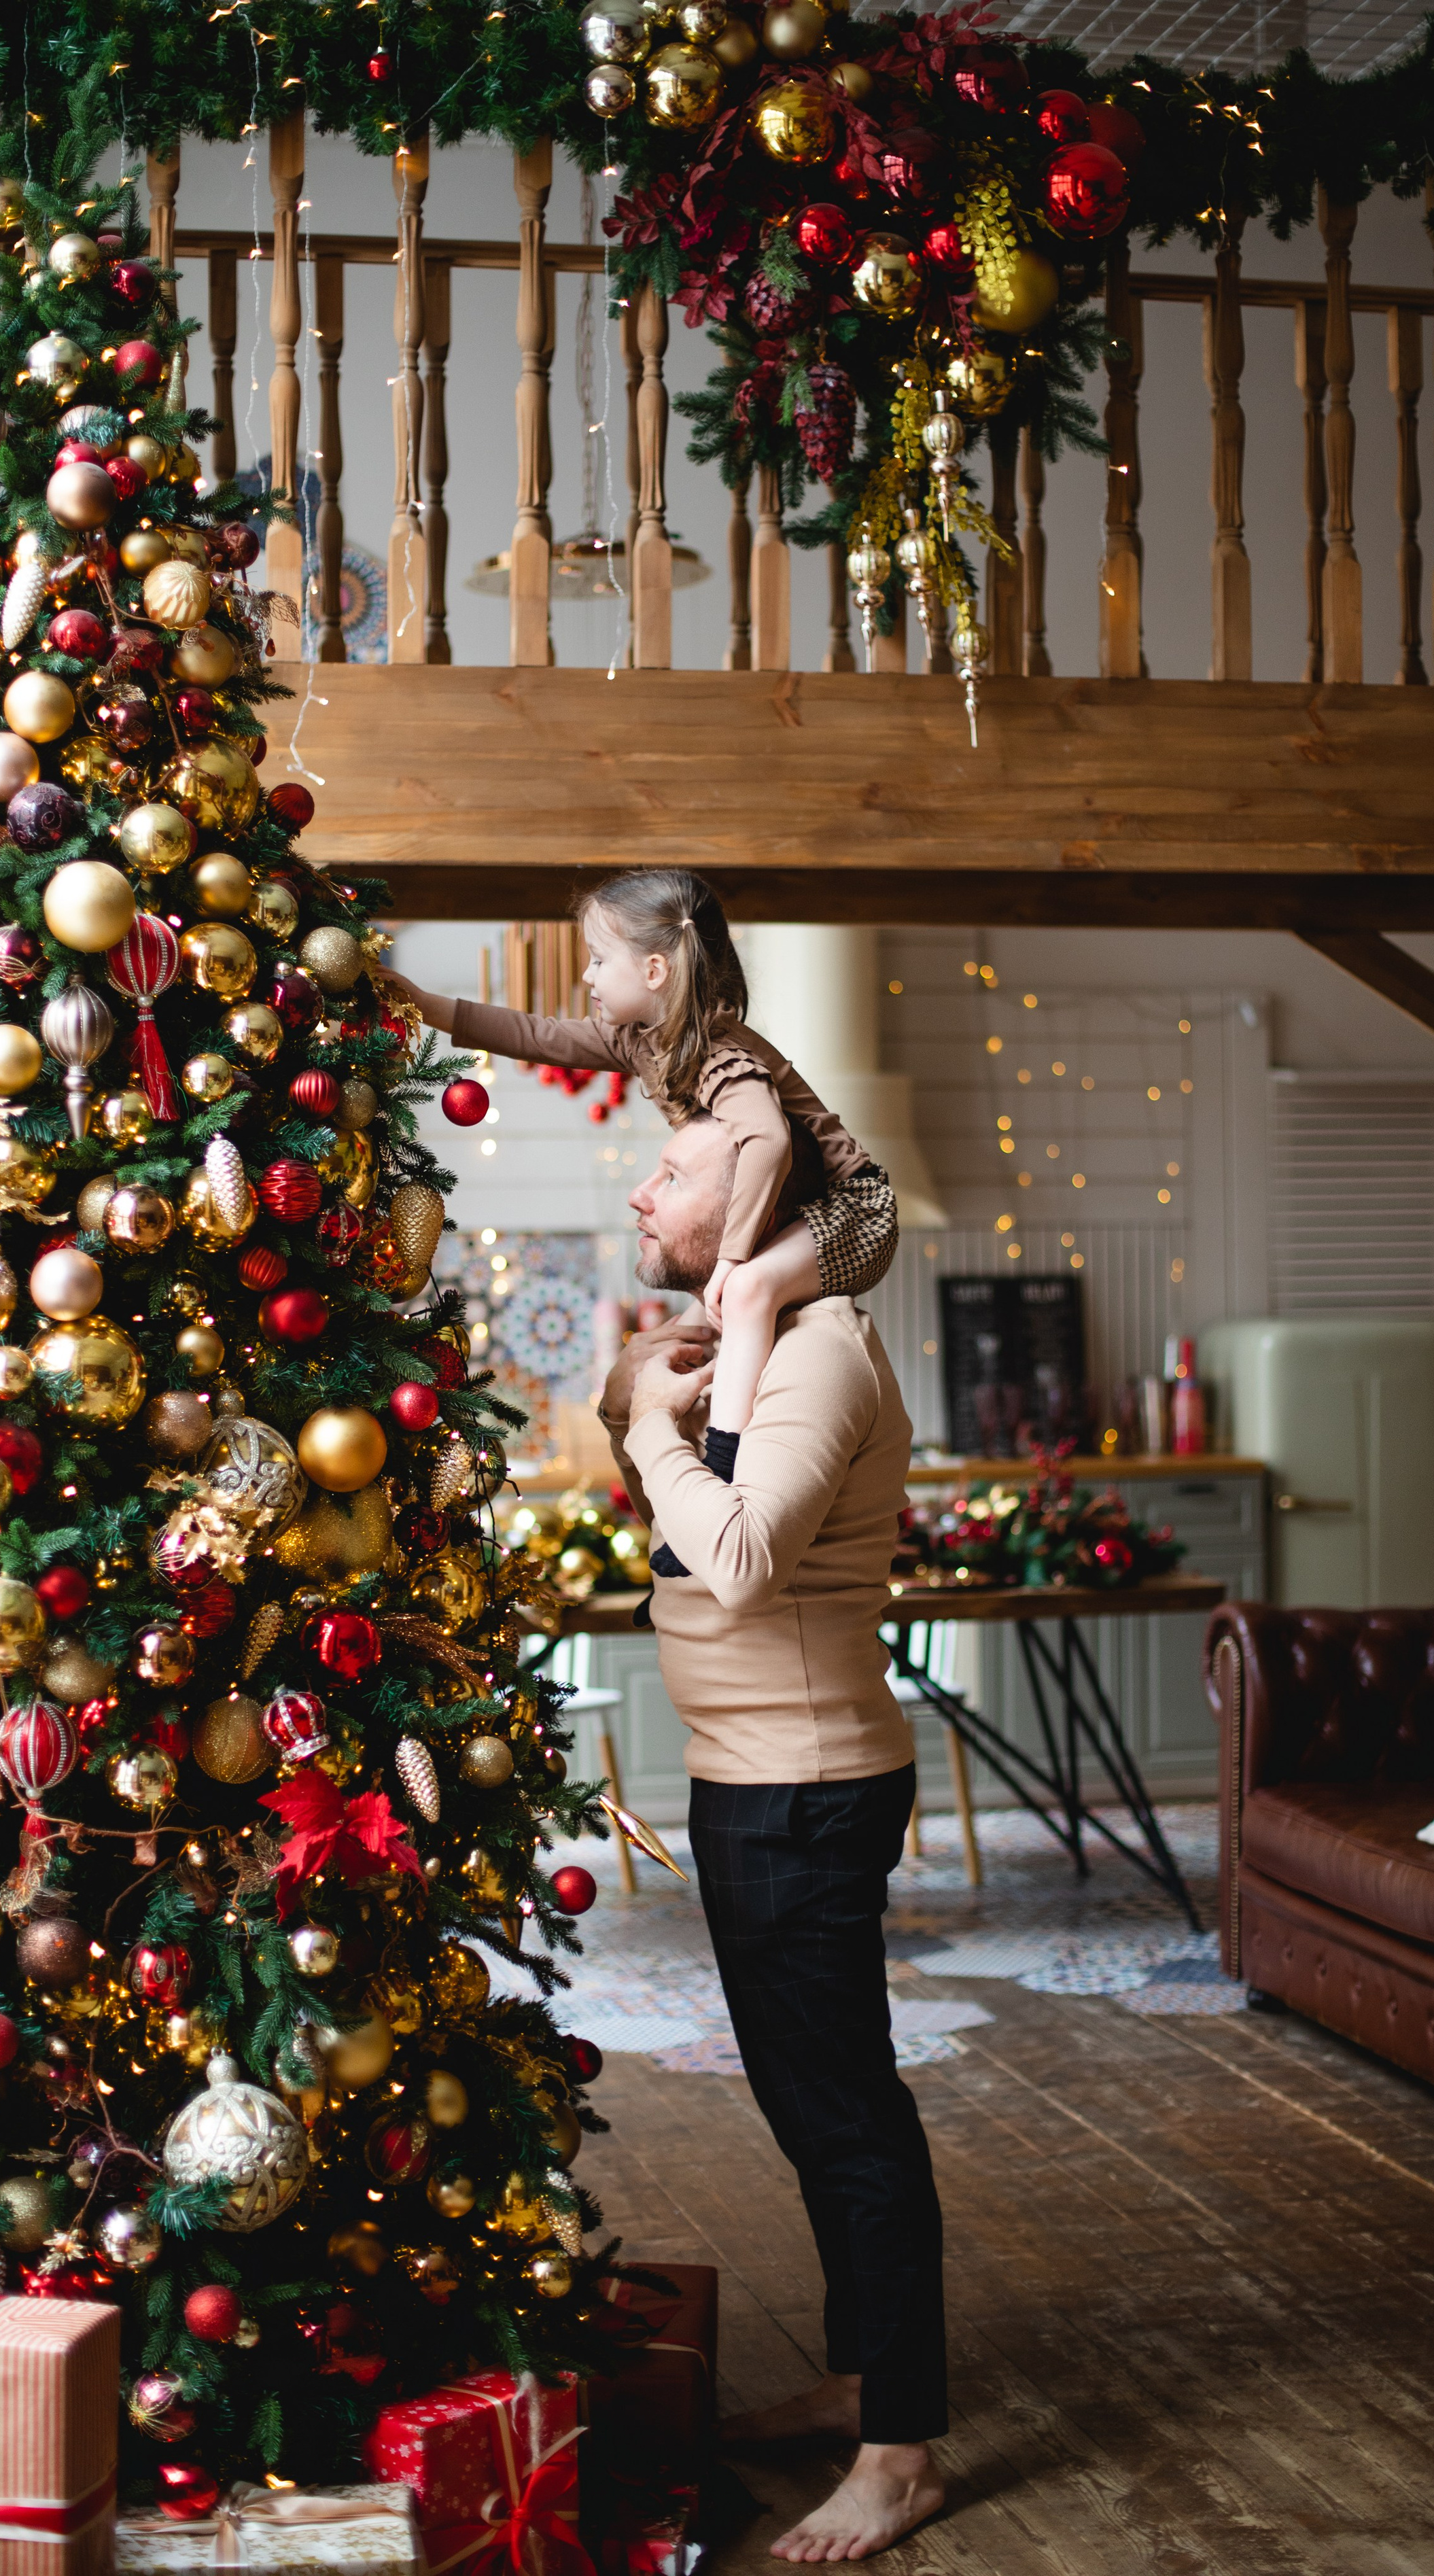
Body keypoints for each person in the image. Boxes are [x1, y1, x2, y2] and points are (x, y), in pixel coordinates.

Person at [597, 1113, 947, 2564]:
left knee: (848, 2120)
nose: (643, 1183)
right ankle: (866, 2377)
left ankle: (901, 2450)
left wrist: (637, 1425)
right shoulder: (753, 1345)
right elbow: (695, 1535)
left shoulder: (817, 1351)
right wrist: (646, 1404)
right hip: (756, 1781)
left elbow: (727, 1565)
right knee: (815, 2113)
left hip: (801, 1788)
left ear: (749, 1199)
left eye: (672, 1168)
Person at [395, 868, 897, 1453]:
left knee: (744, 1291)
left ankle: (729, 1457)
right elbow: (537, 1034)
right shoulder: (640, 1038)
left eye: (600, 960)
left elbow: (769, 1140)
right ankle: (687, 1453)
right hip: (787, 1212)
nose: (587, 976)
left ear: (655, 972)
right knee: (700, 1325)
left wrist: (733, 1260)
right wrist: (426, 1005)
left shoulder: (720, 1051)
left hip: (853, 1210)